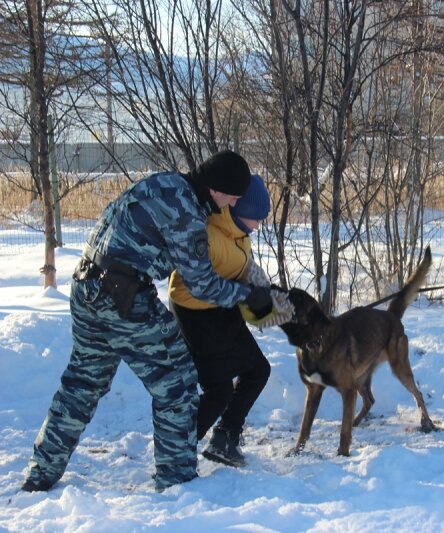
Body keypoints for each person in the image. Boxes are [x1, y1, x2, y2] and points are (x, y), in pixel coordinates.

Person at [21, 150, 275, 492]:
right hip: (123, 298)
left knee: (81, 385)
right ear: (217, 189)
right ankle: (176, 481)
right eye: (234, 194)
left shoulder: (165, 183)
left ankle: (40, 473)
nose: (235, 202)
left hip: (86, 285)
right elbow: (201, 283)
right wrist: (248, 296)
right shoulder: (187, 212)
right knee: (178, 383)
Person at [169, 174, 291, 467]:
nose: (258, 225)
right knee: (219, 390)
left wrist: (275, 304)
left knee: (257, 370)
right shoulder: (208, 234)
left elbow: (243, 268)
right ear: (239, 211)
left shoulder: (237, 233)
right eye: (256, 218)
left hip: (222, 309)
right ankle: (177, 451)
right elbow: (202, 283)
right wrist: (250, 297)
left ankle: (225, 436)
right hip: (198, 316)